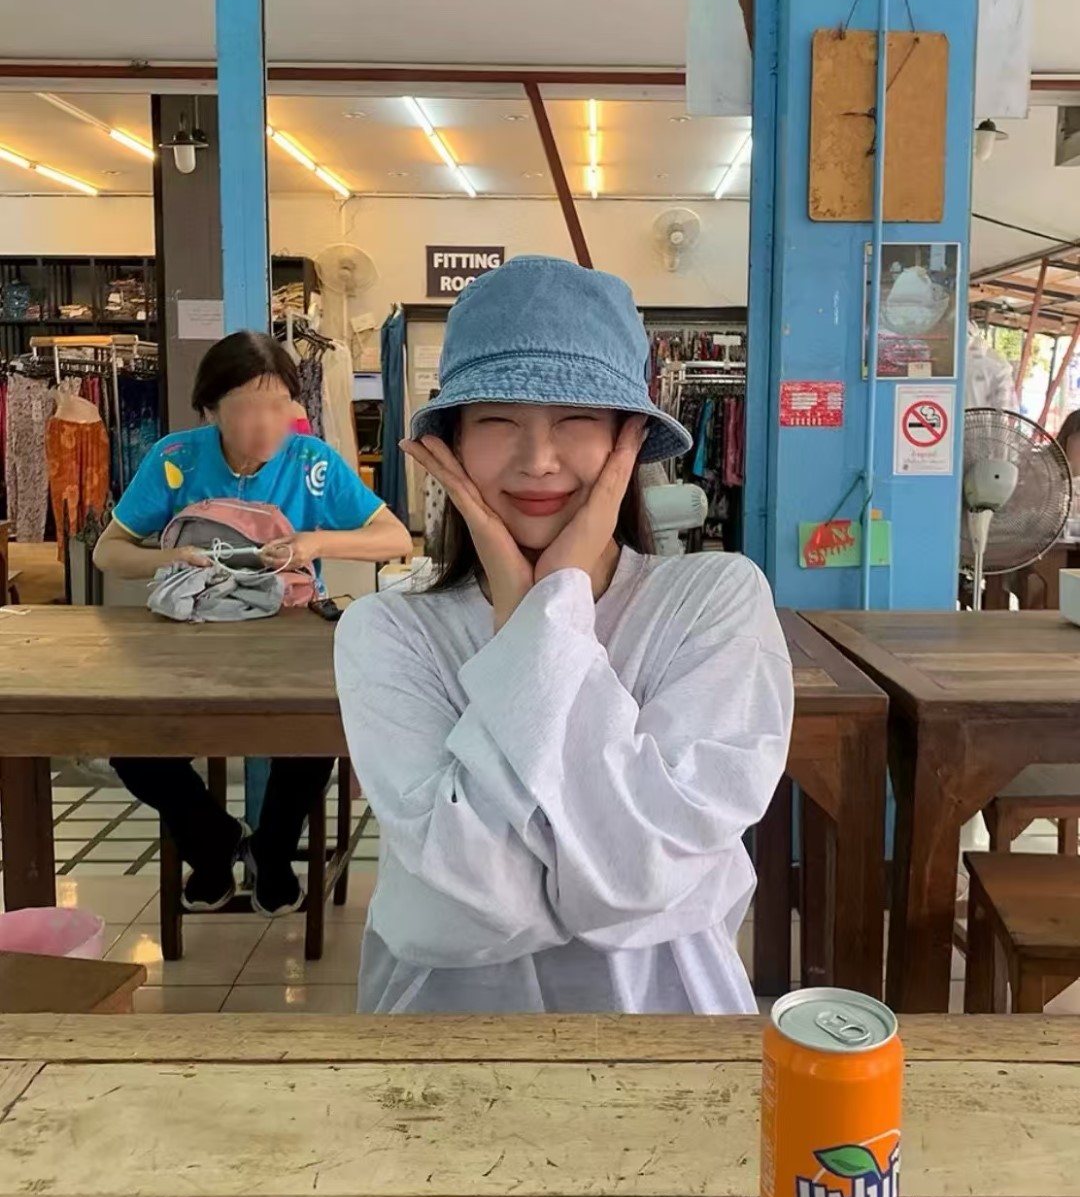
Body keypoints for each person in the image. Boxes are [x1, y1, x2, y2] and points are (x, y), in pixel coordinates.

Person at [334, 256, 794, 1014]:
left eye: (575, 419)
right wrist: (545, 614)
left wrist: (538, 615)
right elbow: (478, 903)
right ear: (452, 442)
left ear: (626, 439)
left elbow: (638, 878)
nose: (538, 460)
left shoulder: (713, 600)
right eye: (497, 420)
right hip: (443, 1031)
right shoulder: (387, 629)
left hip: (673, 1026)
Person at [94, 330, 412, 916]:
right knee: (131, 745)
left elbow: (394, 537)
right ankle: (212, 842)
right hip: (190, 641)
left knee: (313, 736)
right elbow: (107, 552)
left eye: (278, 405)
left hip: (288, 641)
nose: (265, 425)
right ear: (211, 409)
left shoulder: (311, 462)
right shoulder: (175, 458)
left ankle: (271, 849)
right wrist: (171, 557)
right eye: (244, 408)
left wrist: (316, 541)